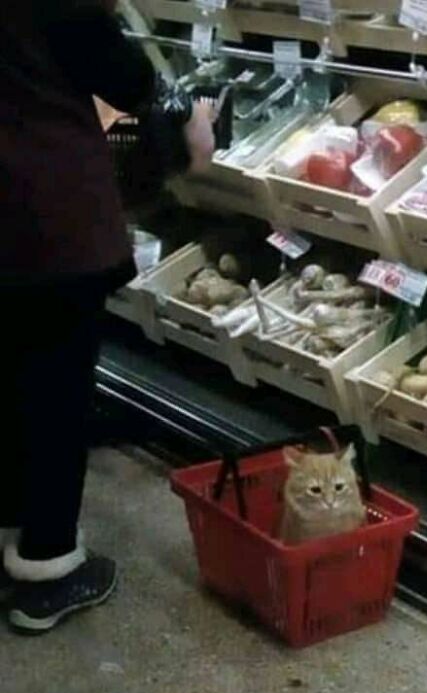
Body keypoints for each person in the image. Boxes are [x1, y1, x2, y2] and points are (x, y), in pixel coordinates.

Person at [0, 0, 215, 633]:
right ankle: (49, 568)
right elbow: (113, 66)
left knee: (9, 379)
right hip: (40, 210)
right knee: (55, 392)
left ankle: (10, 523)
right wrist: (185, 109)